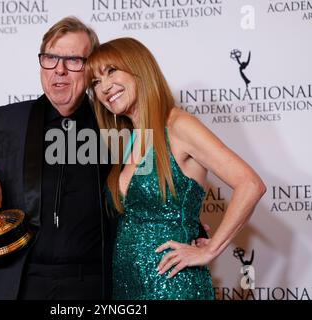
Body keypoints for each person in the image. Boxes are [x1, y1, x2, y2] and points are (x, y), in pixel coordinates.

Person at [86, 37, 266, 300]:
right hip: (127, 286)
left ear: (139, 68)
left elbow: (250, 184)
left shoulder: (179, 125)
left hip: (173, 286)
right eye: (95, 82)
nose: (104, 87)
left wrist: (211, 249)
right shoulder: (131, 139)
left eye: (111, 71)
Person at [0, 16, 115, 300]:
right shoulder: (4, 122)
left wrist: (189, 227)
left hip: (92, 286)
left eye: (73, 60)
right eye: (50, 58)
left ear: (92, 68)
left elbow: (136, 200)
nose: (59, 70)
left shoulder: (113, 125)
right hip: (21, 283)